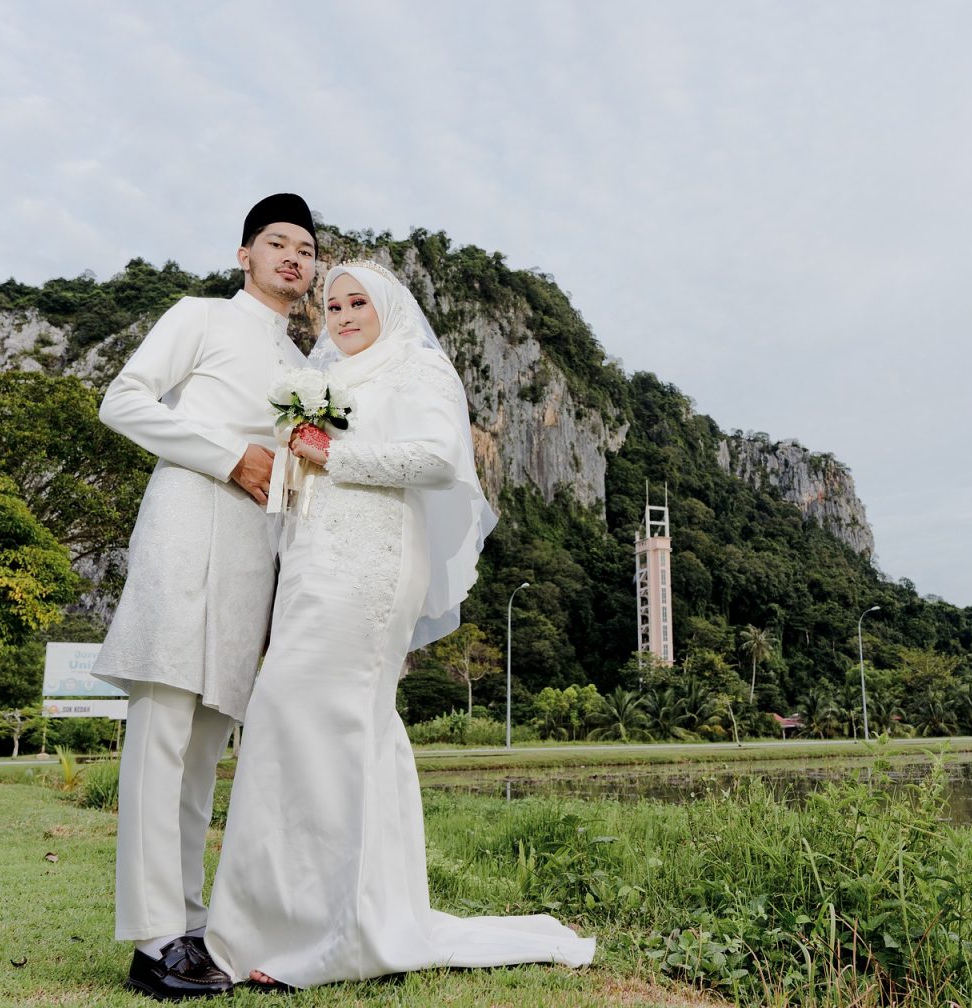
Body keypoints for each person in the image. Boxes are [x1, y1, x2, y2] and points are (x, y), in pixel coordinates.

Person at [204, 261, 596, 989]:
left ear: (387, 306)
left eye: (359, 302)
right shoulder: (325, 383)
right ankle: (283, 924)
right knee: (293, 719)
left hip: (375, 562)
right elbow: (302, 474)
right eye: (333, 305)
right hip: (313, 562)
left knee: (336, 720)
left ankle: (338, 937)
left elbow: (441, 458)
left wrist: (331, 452)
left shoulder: (417, 368)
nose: (345, 315)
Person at [91, 194, 316, 1000]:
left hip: (255, 558)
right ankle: (153, 942)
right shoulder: (200, 316)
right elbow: (122, 400)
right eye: (276, 242)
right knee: (162, 734)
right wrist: (230, 457)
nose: (294, 256)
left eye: (306, 248)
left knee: (205, 749)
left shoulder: (306, 369)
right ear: (244, 256)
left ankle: (189, 925)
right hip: (187, 528)